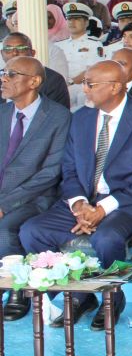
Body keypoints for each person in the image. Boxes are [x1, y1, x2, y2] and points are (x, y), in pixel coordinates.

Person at [20, 60, 132, 329]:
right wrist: (79, 204)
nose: (84, 89)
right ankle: (78, 295)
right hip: (85, 200)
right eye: (84, 83)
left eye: (90, 84)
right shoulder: (81, 118)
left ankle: (113, 297)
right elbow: (69, 169)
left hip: (131, 202)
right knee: (32, 232)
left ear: (115, 87)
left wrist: (102, 209)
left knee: (107, 238)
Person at [0, 57, 71, 319]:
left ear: (34, 82)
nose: (4, 78)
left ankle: (17, 289)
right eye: (4, 72)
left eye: (12, 74)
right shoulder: (2, 112)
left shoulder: (58, 116)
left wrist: (5, 204)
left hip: (36, 197)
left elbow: (51, 172)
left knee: (6, 227)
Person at [1, 34, 70, 109]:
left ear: (32, 53)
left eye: (21, 48)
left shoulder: (53, 79)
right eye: (8, 49)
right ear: (2, 53)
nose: (14, 53)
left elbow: (58, 113)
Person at [56, 2, 103, 109]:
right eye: (69, 19)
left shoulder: (94, 44)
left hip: (82, 88)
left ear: (86, 22)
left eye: (76, 19)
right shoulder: (58, 45)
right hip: (61, 88)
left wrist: (71, 81)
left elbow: (93, 70)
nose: (72, 22)